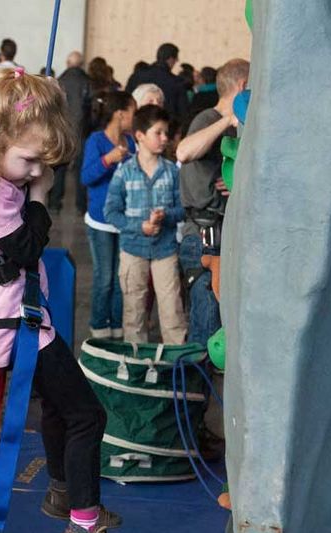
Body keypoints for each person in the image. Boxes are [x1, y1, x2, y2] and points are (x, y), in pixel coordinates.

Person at [0, 67, 126, 533]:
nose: (32, 171)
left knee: (64, 407)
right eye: (27, 160)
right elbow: (25, 246)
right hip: (14, 323)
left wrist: (29, 178)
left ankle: (65, 492)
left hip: (15, 315)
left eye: (39, 164)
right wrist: (40, 194)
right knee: (88, 414)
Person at [176, 58, 249, 345]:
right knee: (205, 323)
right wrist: (226, 120)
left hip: (224, 237)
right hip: (204, 238)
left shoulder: (238, 130)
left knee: (218, 322)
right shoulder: (208, 120)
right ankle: (196, 387)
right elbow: (183, 152)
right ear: (243, 86)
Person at [103, 105, 186, 343]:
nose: (165, 138)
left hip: (165, 251)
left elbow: (183, 209)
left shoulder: (171, 172)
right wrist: (140, 226)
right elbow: (111, 212)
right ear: (140, 136)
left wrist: (166, 216)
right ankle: (136, 366)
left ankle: (174, 367)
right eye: (158, 133)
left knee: (172, 312)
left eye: (166, 133)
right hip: (132, 250)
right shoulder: (125, 172)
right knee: (133, 313)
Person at [81, 91, 136, 339]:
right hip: (101, 221)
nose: (135, 117)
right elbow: (86, 177)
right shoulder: (96, 140)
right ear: (120, 114)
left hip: (124, 220)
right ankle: (99, 327)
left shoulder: (133, 142)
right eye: (133, 112)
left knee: (119, 278)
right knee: (104, 278)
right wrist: (108, 159)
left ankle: (117, 326)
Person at [51, 50, 91, 212]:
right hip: (82, 132)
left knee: (58, 169)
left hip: (62, 132)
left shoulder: (58, 82)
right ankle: (81, 206)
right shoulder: (88, 82)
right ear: (81, 65)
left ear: (67, 64)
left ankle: (54, 203)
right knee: (81, 169)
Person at [124, 43, 190, 123]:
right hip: (167, 127)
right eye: (176, 58)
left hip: (138, 125)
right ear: (170, 59)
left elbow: (126, 101)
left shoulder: (136, 75)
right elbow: (183, 113)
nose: (177, 61)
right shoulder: (176, 82)